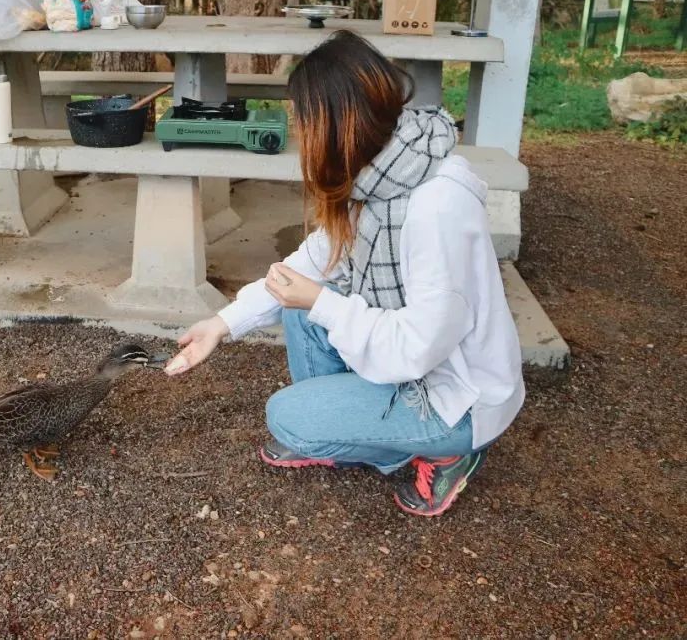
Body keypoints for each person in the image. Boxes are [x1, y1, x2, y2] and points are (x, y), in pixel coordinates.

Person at [164, 30, 524, 517]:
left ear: (339, 125)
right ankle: (345, 431)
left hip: (456, 397)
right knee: (303, 307)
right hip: (420, 364)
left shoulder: (433, 207)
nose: (301, 139)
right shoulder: (382, 174)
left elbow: (419, 348)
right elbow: (312, 260)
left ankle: (447, 452)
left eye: (305, 124)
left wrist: (321, 302)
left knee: (288, 417)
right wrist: (221, 324)